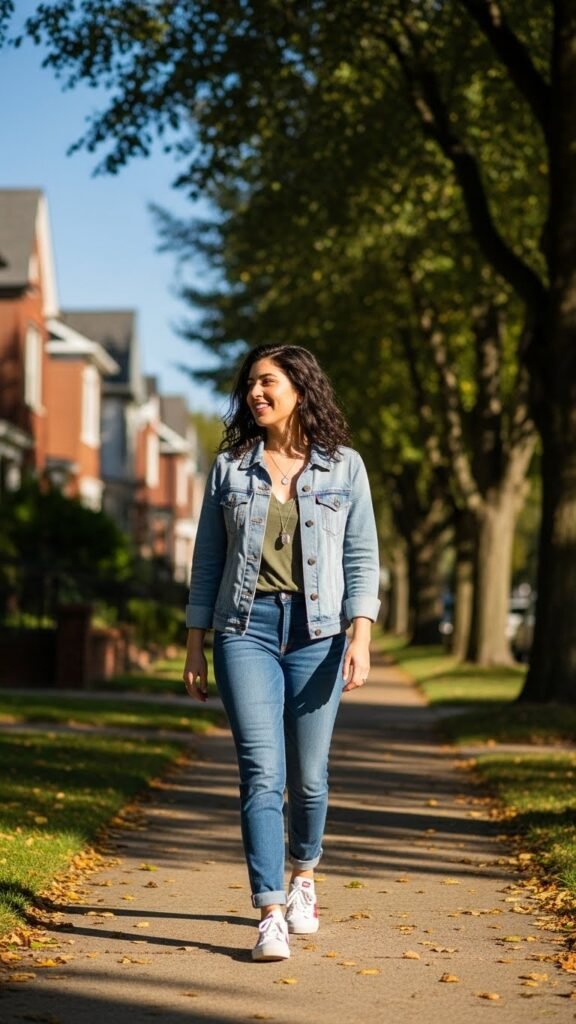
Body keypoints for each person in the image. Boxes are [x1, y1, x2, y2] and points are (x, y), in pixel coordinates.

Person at [183, 344, 380, 962]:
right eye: (249, 386)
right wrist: (196, 642)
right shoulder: (231, 469)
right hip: (246, 628)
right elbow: (207, 561)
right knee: (261, 771)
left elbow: (361, 556)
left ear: (300, 386)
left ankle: (304, 876)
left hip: (319, 633)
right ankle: (268, 910)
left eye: (267, 382)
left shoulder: (344, 467)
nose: (254, 394)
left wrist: (361, 633)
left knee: (310, 778)